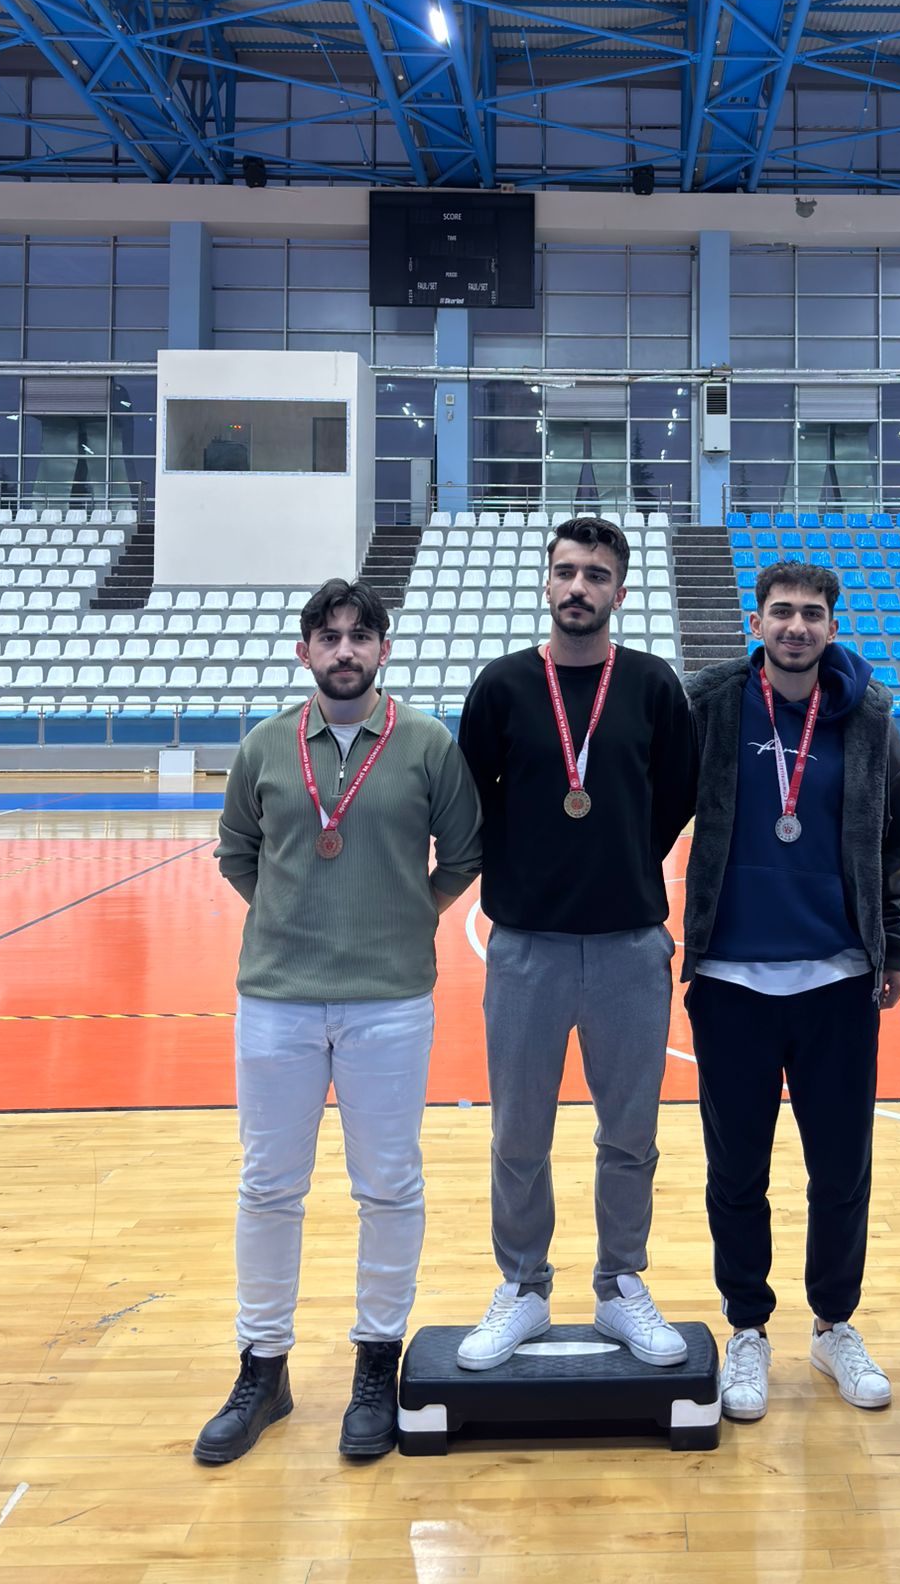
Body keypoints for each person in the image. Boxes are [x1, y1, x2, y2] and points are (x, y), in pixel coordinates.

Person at [195, 578, 483, 1466]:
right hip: (276, 998)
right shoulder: (264, 746)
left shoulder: (427, 744)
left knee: (388, 1185)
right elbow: (236, 852)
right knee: (267, 1186)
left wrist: (407, 915)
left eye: (361, 635)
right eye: (330, 636)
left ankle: (375, 1361)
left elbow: (464, 853)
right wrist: (289, 916)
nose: (346, 650)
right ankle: (263, 1367)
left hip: (389, 999)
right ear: (305, 652)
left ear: (384, 650)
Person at [455, 515, 699, 1368]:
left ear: (619, 592)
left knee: (629, 1135)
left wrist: (621, 858)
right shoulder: (502, 686)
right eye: (566, 571)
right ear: (547, 582)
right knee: (518, 1136)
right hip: (525, 947)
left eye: (596, 575)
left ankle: (620, 1285)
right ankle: (523, 1288)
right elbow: (472, 801)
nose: (578, 587)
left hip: (631, 945)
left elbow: (676, 796)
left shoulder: (654, 685)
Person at [682, 562, 900, 1421]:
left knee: (841, 1170)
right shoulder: (712, 705)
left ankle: (833, 1323)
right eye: (781, 611)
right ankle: (747, 1327)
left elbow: (896, 841)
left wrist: (898, 943)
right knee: (737, 1171)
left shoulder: (870, 715)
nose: (796, 626)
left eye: (812, 614)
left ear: (831, 625)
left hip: (839, 979)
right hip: (730, 979)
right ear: (756, 621)